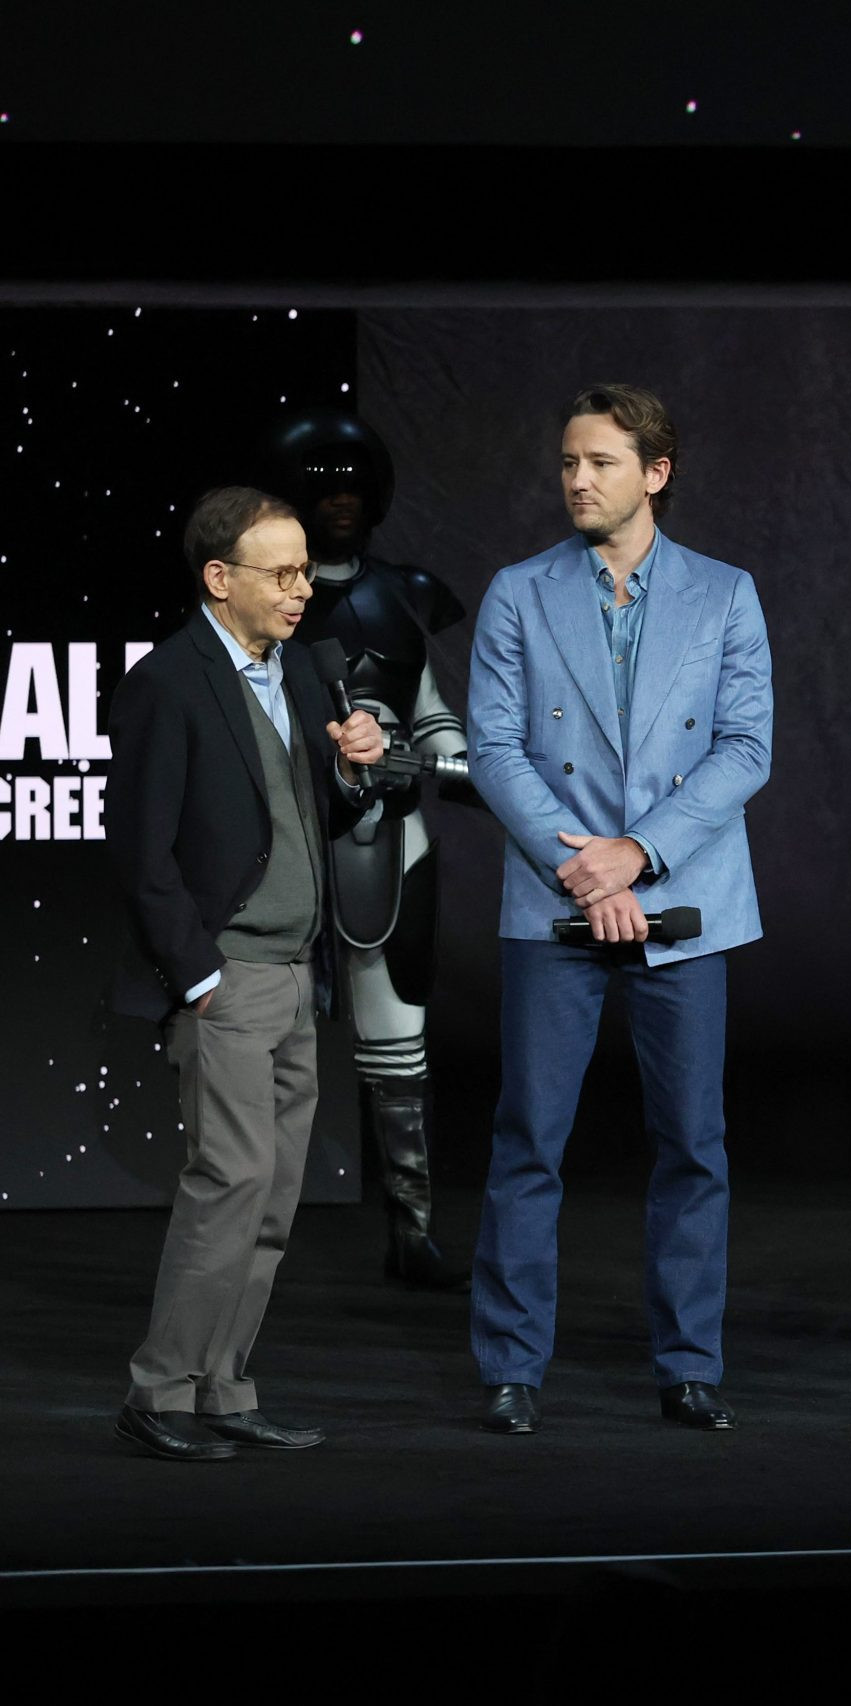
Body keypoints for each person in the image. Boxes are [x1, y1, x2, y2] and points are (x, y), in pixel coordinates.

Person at [466, 384, 774, 1436]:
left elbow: (745, 748)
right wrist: (585, 869)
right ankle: (511, 1365)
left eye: (598, 460)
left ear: (657, 470)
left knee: (693, 1141)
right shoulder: (518, 592)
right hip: (554, 896)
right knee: (528, 1140)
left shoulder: (726, 593)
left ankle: (689, 1362)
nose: (576, 479)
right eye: (566, 461)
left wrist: (637, 856)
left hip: (683, 901)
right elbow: (495, 748)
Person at [105, 486, 386, 1461]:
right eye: (282, 571)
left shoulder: (304, 672)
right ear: (220, 578)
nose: (301, 588)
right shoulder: (170, 682)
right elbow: (139, 852)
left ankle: (224, 1386)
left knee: (272, 1198)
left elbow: (331, 819)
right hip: (229, 978)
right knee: (228, 1180)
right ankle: (161, 1389)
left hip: (297, 976)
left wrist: (356, 770)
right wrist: (198, 977)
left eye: (306, 568)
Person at [269, 408, 482, 1288]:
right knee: (273, 1042)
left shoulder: (401, 593)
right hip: (291, 838)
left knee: (399, 1038)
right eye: (325, 486)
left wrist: (446, 755)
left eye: (355, 486)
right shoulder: (267, 596)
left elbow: (428, 703)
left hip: (391, 837)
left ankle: (411, 1229)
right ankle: (253, 1240)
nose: (343, 502)